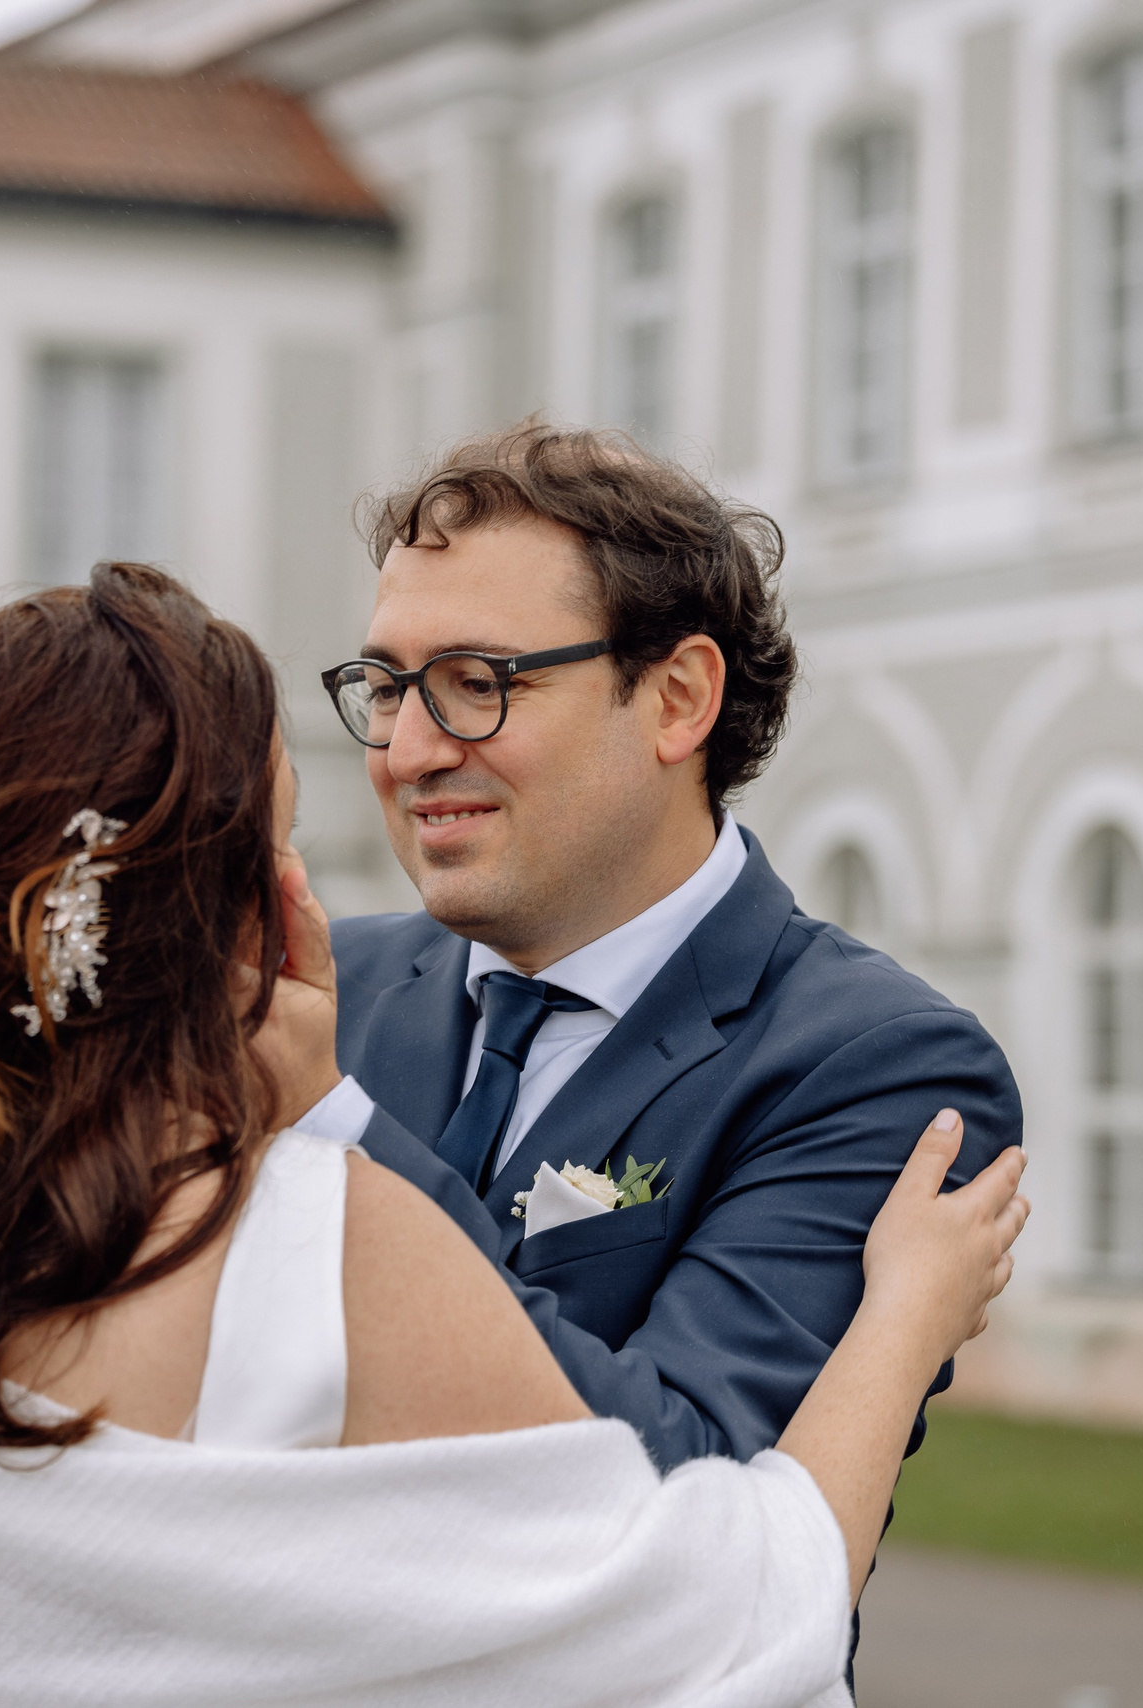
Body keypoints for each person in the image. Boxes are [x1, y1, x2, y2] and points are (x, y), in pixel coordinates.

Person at [0, 564, 1029, 1708]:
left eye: (483, 679)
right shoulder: (314, 1233)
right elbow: (736, 1626)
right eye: (289, 826)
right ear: (239, 906)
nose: (414, 750)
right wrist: (905, 1319)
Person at [312, 424, 1021, 1481]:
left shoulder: (881, 1068)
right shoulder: (316, 993)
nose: (408, 752)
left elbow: (692, 1492)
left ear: (680, 698)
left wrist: (331, 1118)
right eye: (384, 687)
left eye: (475, 681)